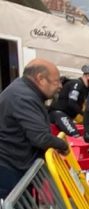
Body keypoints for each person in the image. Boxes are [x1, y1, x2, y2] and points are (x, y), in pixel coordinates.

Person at [0, 59, 67, 199]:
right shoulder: (23, 97)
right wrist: (63, 145)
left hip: (14, 167)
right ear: (41, 79)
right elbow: (41, 138)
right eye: (56, 81)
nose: (60, 86)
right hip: (10, 172)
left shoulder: (23, 91)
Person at [49, 63, 89, 137]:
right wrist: (86, 115)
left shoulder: (84, 89)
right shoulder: (77, 84)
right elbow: (72, 103)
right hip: (59, 114)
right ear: (88, 76)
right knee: (75, 135)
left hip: (66, 116)